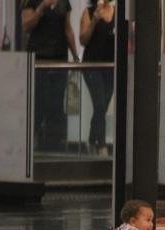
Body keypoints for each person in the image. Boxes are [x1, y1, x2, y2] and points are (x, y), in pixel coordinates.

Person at [21, 0, 79, 151]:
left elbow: (68, 29)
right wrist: (41, 8)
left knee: (56, 105)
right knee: (39, 104)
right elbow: (27, 26)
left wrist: (75, 56)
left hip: (59, 59)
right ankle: (30, 144)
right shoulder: (31, 2)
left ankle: (53, 146)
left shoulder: (64, 3)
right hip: (39, 60)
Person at [79, 0, 114, 156]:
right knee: (99, 104)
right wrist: (94, 20)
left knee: (103, 106)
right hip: (92, 65)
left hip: (111, 67)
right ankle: (101, 145)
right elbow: (83, 40)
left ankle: (92, 141)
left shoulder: (116, 12)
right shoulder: (88, 12)